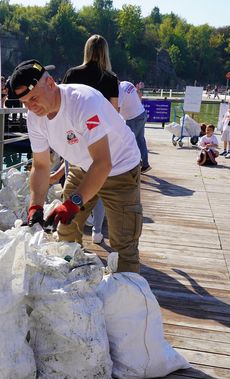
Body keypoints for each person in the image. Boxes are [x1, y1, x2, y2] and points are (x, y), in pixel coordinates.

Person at [8, 59, 143, 273]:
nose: (31, 107)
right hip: (82, 167)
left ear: (50, 83)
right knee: (66, 230)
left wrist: (74, 203)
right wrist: (36, 206)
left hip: (120, 169)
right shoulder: (35, 117)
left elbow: (103, 163)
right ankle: (71, 279)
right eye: (25, 103)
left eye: (33, 98)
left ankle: (130, 295)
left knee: (123, 245)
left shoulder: (83, 102)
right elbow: (41, 166)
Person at [62, 34, 120, 245]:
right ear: (105, 52)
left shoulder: (71, 74)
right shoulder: (111, 78)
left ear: (86, 51)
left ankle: (71, 235)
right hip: (99, 139)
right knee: (98, 184)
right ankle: (97, 230)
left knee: (73, 185)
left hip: (74, 139)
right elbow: (114, 113)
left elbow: (63, 106)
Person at [119, 80, 151, 173]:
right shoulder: (127, 83)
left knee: (129, 143)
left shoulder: (119, 92)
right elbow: (139, 94)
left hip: (133, 118)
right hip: (142, 113)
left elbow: (116, 109)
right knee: (140, 140)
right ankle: (145, 164)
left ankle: (131, 168)